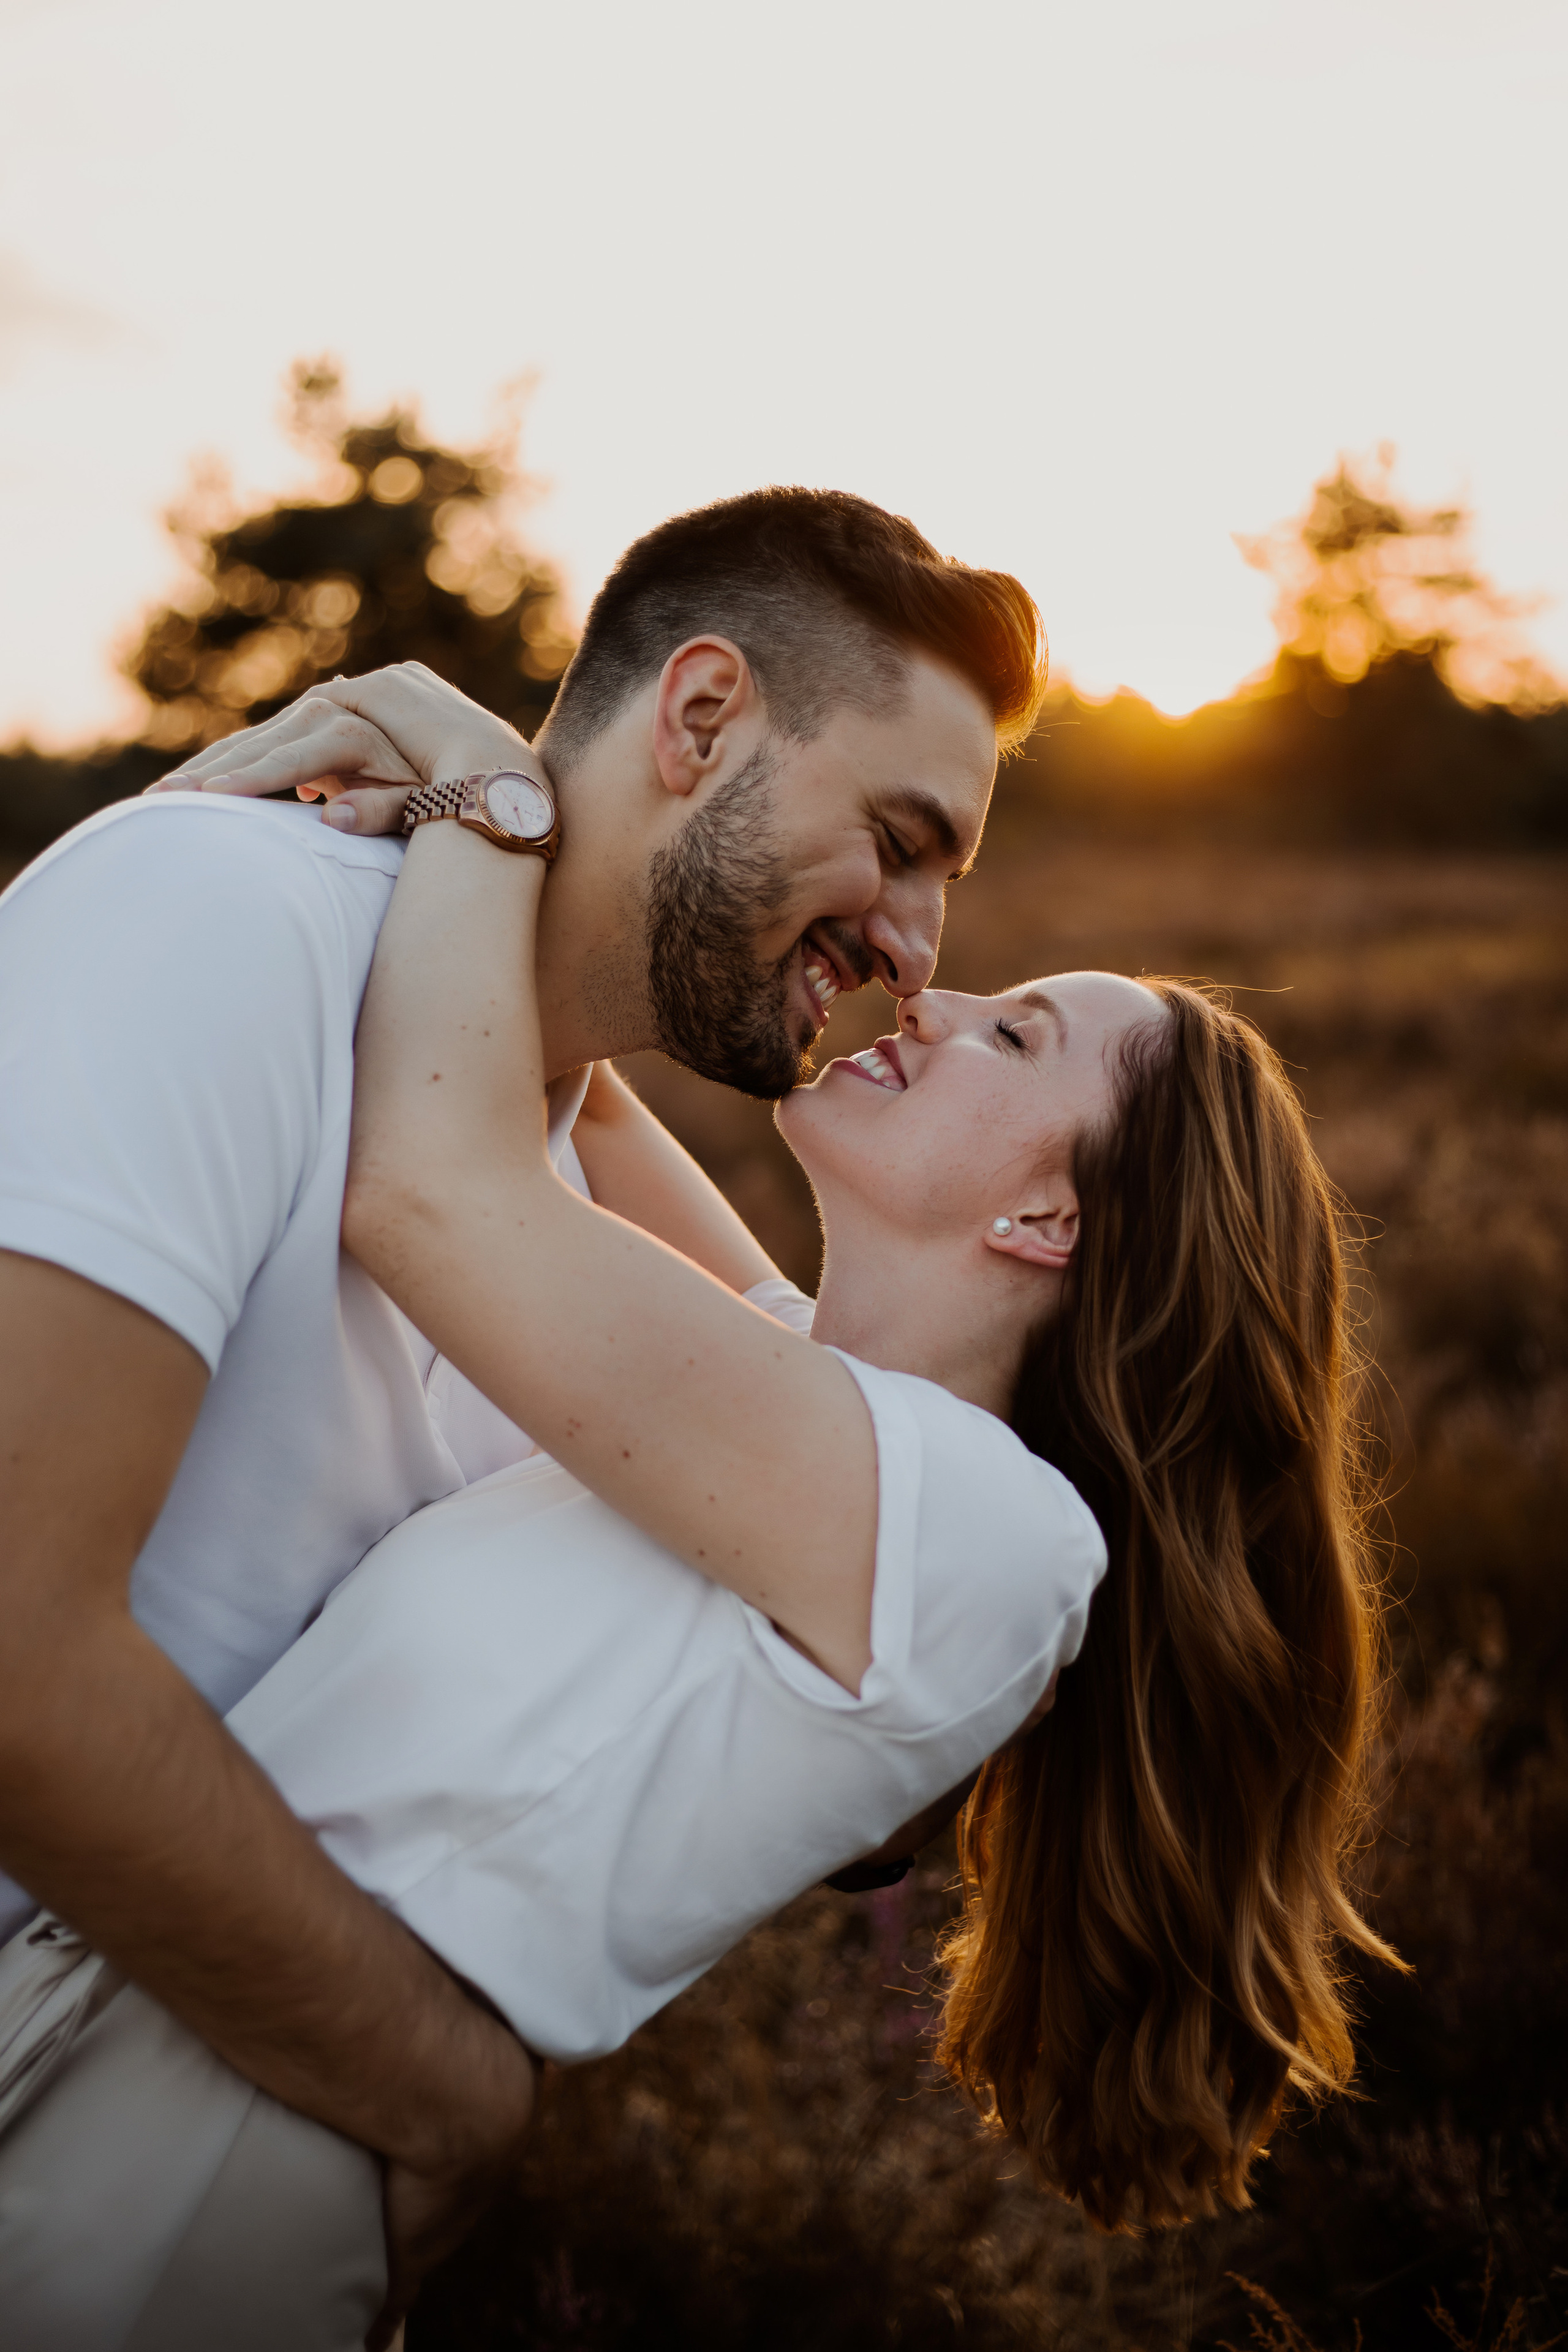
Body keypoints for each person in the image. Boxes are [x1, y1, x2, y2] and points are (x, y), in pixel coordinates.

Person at [0, 674, 1397, 2346]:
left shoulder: (977, 1531)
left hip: (218, 2138)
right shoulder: (812, 1400)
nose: (932, 999)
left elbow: (439, 1187)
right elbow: (568, 1073)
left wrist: (468, 773)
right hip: (164, 2016)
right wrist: (587, 811)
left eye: (1015, 1037)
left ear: (1049, 1219)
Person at [0, 490, 1044, 2304]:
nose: (916, 951)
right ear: (701, 716)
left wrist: (487, 803)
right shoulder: (226, 919)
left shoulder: (566, 1259)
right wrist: (442, 2092)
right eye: (897, 839)